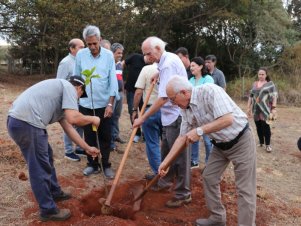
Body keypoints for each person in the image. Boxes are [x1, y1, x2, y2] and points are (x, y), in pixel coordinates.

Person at [158, 76, 256, 226]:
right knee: (209, 177)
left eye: (172, 99)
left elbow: (227, 119)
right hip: (220, 145)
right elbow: (182, 138)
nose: (172, 103)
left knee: (245, 189)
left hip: (241, 141)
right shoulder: (185, 108)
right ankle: (217, 218)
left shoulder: (211, 91)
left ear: (184, 92)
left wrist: (199, 131)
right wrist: (165, 163)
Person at [7, 76, 100, 222]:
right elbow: (74, 118)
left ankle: (54, 192)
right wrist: (93, 119)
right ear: (79, 88)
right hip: (27, 123)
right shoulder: (68, 87)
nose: (78, 99)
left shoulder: (59, 97)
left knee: (47, 157)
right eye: (81, 95)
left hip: (23, 122)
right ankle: (48, 210)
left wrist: (86, 147)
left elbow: (69, 128)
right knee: (39, 167)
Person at [133, 36, 191, 208]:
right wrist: (158, 73)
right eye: (145, 54)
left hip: (177, 115)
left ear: (158, 48)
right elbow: (167, 72)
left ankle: (183, 194)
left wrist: (143, 117)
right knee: (166, 152)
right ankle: (164, 182)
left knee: (179, 156)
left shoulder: (168, 63)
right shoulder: (164, 61)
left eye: (148, 54)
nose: (147, 58)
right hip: (169, 117)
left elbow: (164, 98)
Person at [74, 25, 118, 179]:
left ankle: (105, 164)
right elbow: (77, 78)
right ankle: (92, 164)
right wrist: (78, 99)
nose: (92, 47)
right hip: (86, 104)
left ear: (100, 39)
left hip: (104, 104)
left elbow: (113, 81)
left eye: (95, 43)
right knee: (90, 136)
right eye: (89, 44)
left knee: (105, 135)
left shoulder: (108, 56)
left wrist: (110, 104)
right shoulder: (81, 55)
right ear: (86, 42)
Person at [56, 38, 85, 161]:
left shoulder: (81, 61)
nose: (84, 49)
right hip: (69, 100)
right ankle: (68, 151)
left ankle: (79, 147)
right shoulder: (66, 62)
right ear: (72, 49)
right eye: (81, 47)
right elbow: (59, 82)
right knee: (69, 124)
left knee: (80, 123)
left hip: (80, 98)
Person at [132, 62, 162, 180]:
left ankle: (158, 173)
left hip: (151, 109)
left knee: (152, 142)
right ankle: (167, 173)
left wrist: (134, 109)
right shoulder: (169, 68)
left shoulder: (146, 69)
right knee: (166, 143)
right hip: (168, 109)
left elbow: (138, 92)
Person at [189, 57, 214, 168]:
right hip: (194, 114)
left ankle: (210, 162)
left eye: (193, 65)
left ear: (200, 66)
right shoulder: (191, 80)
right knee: (194, 138)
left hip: (206, 114)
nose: (191, 68)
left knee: (207, 140)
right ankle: (194, 160)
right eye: (190, 66)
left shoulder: (208, 79)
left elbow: (208, 95)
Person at [247, 67, 277, 153]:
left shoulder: (270, 84)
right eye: (259, 74)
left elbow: (274, 96)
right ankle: (261, 142)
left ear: (266, 75)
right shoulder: (254, 84)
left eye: (263, 74)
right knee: (258, 126)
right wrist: (248, 108)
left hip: (266, 109)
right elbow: (250, 96)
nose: (261, 76)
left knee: (266, 127)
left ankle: (268, 145)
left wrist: (274, 108)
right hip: (256, 110)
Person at [123, 53, 146, 143]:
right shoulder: (135, 57)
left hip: (144, 92)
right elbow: (123, 63)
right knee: (132, 111)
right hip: (131, 91)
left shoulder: (152, 64)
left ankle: (145, 134)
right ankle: (137, 133)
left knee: (144, 112)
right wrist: (119, 73)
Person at [110, 43, 126, 153]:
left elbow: (120, 79)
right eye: (118, 53)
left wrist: (123, 91)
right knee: (110, 117)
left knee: (116, 116)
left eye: (121, 53)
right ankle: (110, 141)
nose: (120, 55)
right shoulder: (109, 64)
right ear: (112, 53)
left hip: (120, 93)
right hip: (112, 95)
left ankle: (115, 135)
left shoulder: (119, 64)